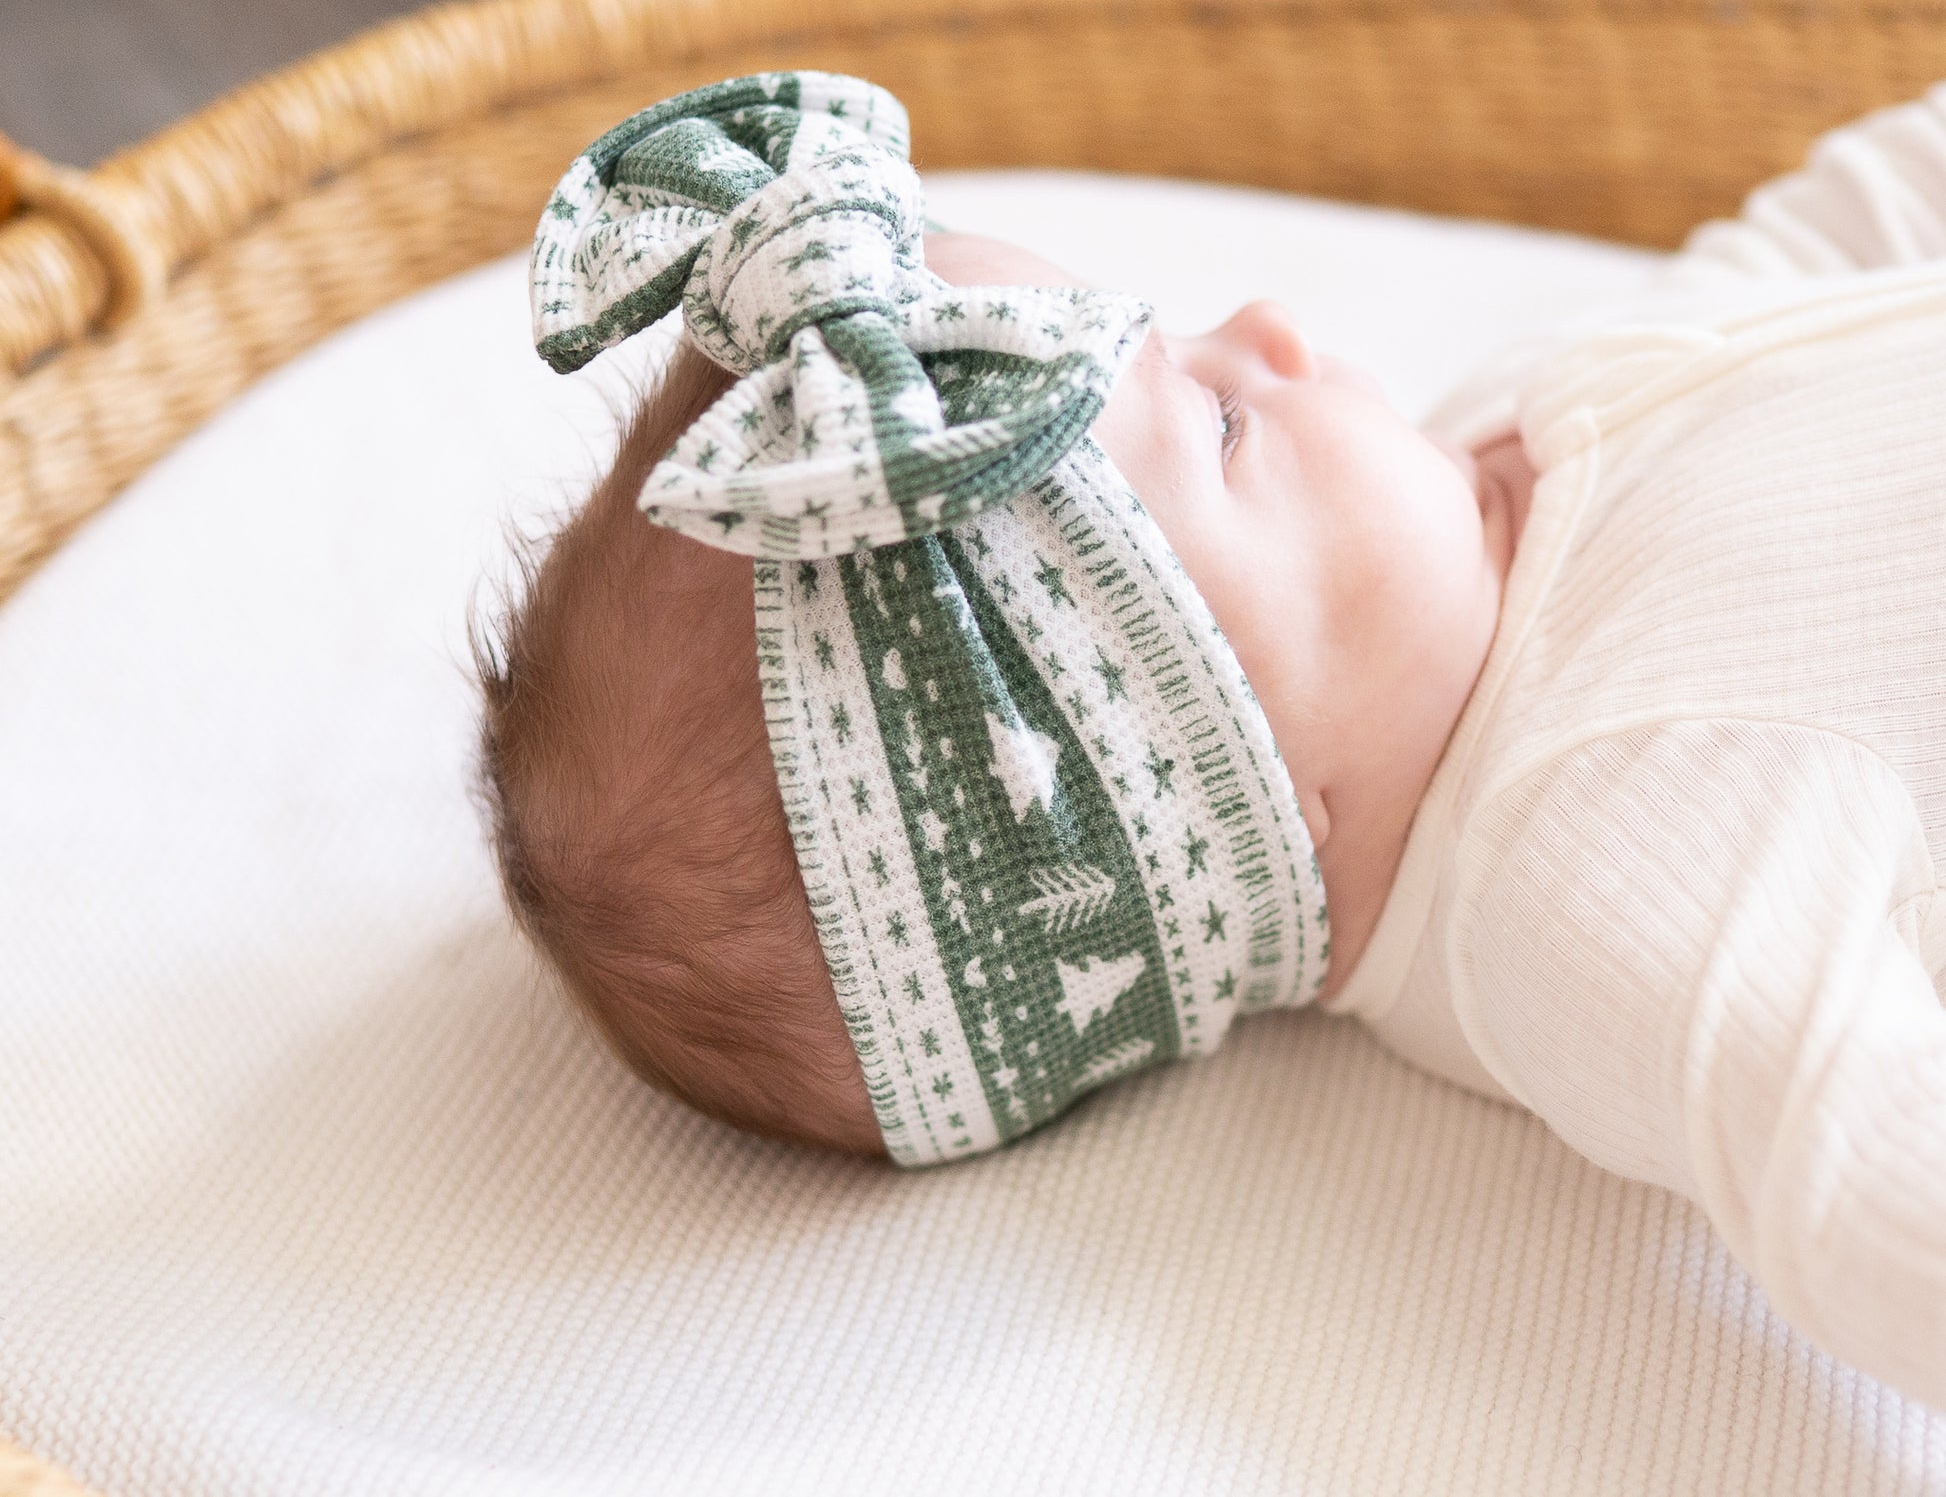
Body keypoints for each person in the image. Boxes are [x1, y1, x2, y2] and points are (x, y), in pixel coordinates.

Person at [477, 72, 1946, 1410]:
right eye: (1230, 422)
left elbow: (1816, 254)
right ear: (1242, 791)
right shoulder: (1589, 852)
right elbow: (1862, 1176)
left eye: (1176, 336)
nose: (1273, 330)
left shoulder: (1482, 455)